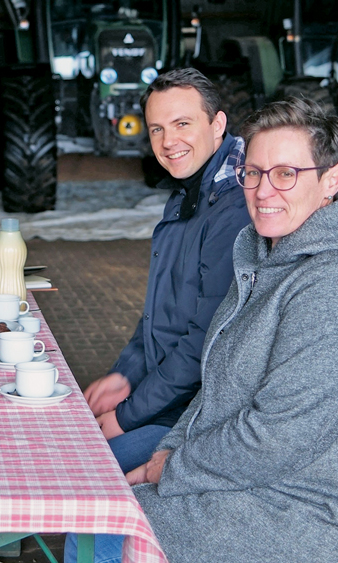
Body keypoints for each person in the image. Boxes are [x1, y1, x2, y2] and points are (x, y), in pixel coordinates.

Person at [81, 98, 338, 563]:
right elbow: (212, 389)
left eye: (286, 174)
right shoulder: (262, 252)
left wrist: (170, 468)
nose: (263, 191)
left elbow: (277, 437)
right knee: (103, 508)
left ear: (332, 180)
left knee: (106, 537)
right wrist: (165, 453)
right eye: (253, 172)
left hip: (316, 512)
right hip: (254, 479)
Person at [82, 68, 251, 473]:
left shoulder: (234, 208)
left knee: (93, 472)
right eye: (157, 129)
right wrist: (126, 373)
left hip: (199, 415)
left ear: (218, 123)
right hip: (164, 399)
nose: (168, 141)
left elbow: (202, 343)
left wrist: (126, 416)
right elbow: (159, 312)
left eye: (182, 124)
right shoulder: (186, 194)